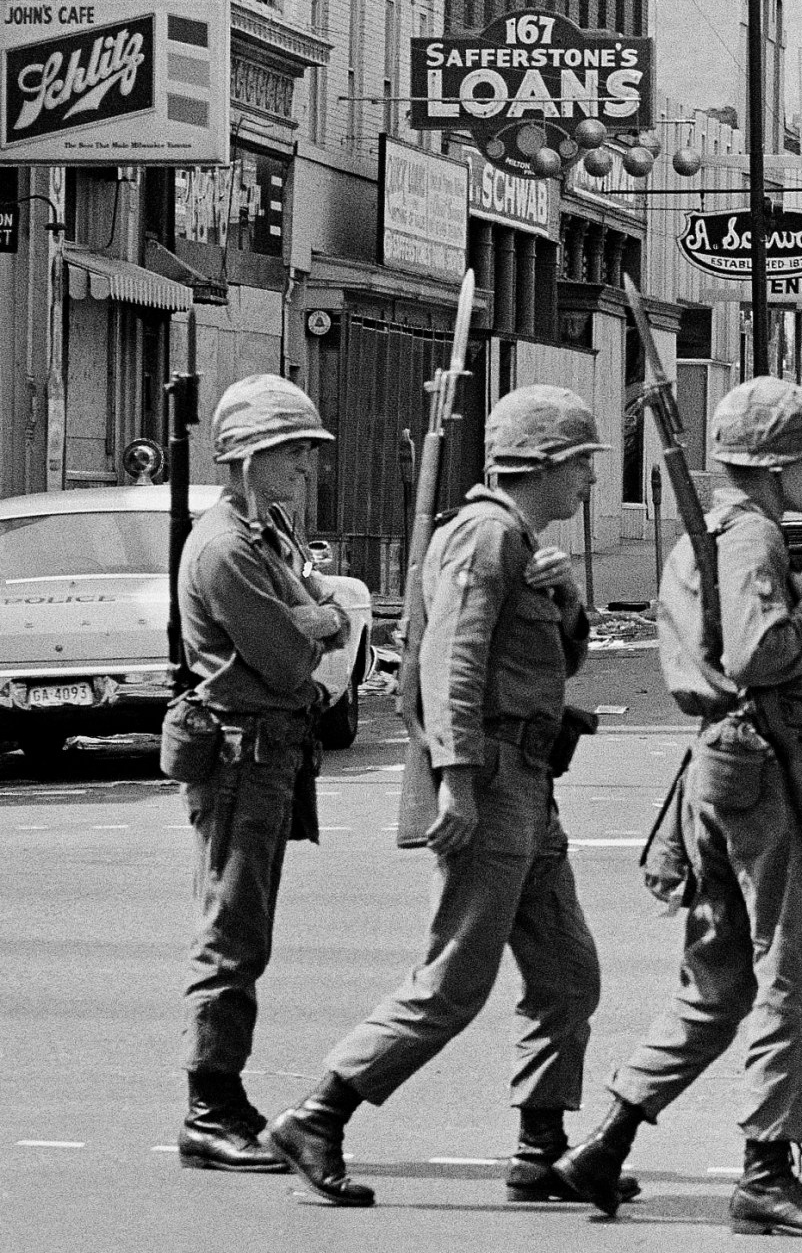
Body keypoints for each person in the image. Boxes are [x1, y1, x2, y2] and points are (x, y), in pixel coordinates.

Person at [261, 388, 617, 1210]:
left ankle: (540, 1151)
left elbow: (555, 663)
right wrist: (456, 782)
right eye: (582, 466)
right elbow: (448, 660)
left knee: (567, 974)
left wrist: (567, 601)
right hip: (489, 782)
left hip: (529, 783)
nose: (589, 484)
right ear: (545, 465)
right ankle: (319, 1114)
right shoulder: (485, 536)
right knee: (454, 981)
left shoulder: (522, 540)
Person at [554, 377, 802, 1237]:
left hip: (722, 764)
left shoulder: (720, 533)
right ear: (778, 466)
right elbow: (762, 648)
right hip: (759, 769)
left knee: (719, 983)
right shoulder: (752, 535)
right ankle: (767, 1170)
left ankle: (606, 1144)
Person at [166, 375, 350, 1175]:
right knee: (231, 937)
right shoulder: (227, 548)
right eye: (290, 452)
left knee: (248, 933)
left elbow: (321, 611)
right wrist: (320, 621)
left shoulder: (263, 533)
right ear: (246, 459)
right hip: (243, 753)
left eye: (305, 451)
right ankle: (208, 1108)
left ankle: (226, 1095)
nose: (304, 467)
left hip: (269, 753)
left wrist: (318, 617)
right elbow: (291, 654)